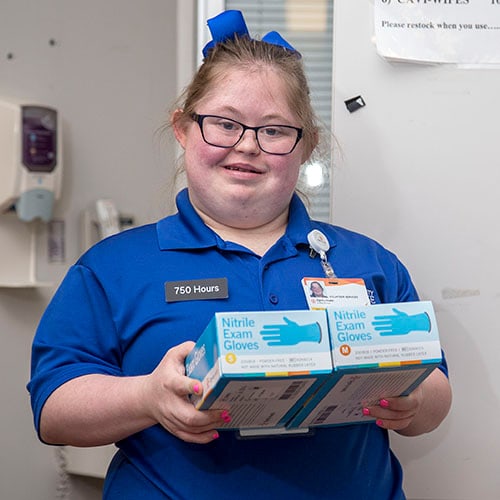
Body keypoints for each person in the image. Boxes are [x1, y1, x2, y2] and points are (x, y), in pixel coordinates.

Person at [28, 10, 452, 500]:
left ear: (306, 145)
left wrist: (414, 402)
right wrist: (148, 397)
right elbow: (53, 410)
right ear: (184, 129)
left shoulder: (370, 263)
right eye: (225, 124)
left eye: (273, 131)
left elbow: (435, 392)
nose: (247, 146)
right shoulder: (113, 268)